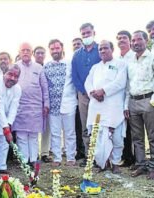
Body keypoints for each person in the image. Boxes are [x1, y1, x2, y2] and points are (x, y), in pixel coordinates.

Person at [85, 40, 127, 174]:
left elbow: (120, 83)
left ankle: (115, 163)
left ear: (112, 49)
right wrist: (93, 92)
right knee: (97, 136)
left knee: (116, 137)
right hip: (96, 106)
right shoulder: (95, 67)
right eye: (100, 49)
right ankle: (101, 163)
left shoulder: (121, 64)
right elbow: (88, 82)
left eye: (105, 48)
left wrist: (103, 90)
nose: (102, 51)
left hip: (113, 107)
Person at [13, 42, 49, 165]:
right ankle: (24, 161)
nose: (25, 52)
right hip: (20, 107)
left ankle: (33, 160)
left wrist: (46, 104)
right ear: (19, 52)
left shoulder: (39, 67)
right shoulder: (15, 67)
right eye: (23, 50)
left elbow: (44, 87)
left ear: (31, 52)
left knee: (33, 136)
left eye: (28, 50)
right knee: (21, 136)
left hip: (35, 107)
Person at [44, 39, 77, 166]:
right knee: (55, 132)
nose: (55, 51)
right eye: (52, 49)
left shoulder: (70, 64)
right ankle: (57, 158)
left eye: (57, 48)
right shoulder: (46, 66)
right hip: (53, 105)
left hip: (68, 103)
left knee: (69, 132)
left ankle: (70, 157)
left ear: (62, 48)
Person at [72, 23, 101, 166]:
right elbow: (74, 76)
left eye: (88, 33)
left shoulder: (101, 49)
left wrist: (97, 91)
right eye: (83, 33)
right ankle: (90, 157)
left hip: (99, 95)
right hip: (83, 95)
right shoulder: (77, 54)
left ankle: (101, 157)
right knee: (85, 126)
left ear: (94, 32)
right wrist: (84, 91)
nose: (86, 36)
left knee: (99, 126)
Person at [127, 31, 154, 179]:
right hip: (133, 101)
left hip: (148, 101)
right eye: (133, 40)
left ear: (146, 40)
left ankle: (153, 167)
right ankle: (141, 165)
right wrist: (126, 105)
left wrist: (152, 102)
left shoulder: (151, 57)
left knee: (152, 136)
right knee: (136, 137)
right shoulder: (130, 60)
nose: (135, 42)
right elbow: (127, 84)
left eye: (139, 39)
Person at [116, 30, 136, 167]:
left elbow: (130, 83)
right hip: (118, 99)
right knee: (123, 130)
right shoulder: (117, 60)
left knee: (134, 130)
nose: (121, 40)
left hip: (132, 98)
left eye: (124, 38)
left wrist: (126, 104)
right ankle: (127, 156)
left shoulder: (134, 57)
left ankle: (136, 159)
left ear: (130, 40)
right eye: (119, 38)